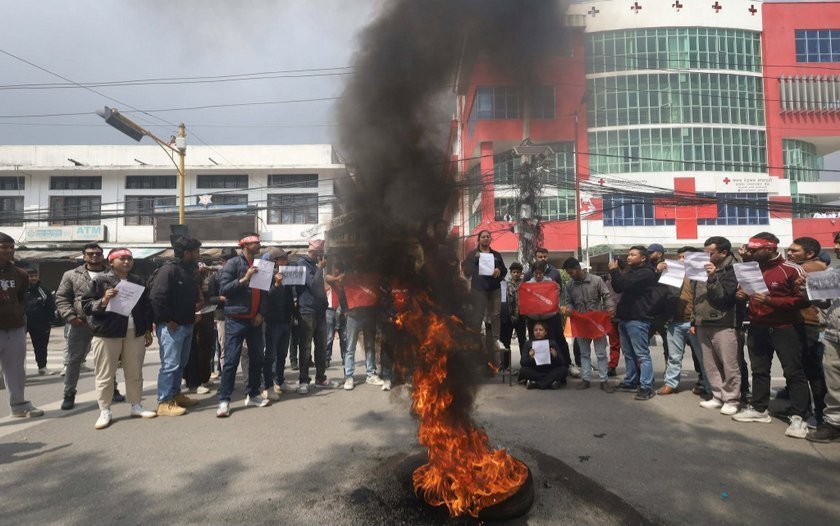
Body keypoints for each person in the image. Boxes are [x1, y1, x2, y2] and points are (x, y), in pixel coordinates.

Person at [732, 233, 811, 439]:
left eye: (754, 249)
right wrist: (740, 295)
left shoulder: (792, 269)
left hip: (786, 327)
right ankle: (759, 409)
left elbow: (804, 301)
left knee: (793, 372)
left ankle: (799, 416)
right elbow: (743, 291)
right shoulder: (751, 268)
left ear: (769, 248)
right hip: (757, 326)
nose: (749, 252)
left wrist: (771, 302)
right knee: (759, 370)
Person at [81, 248, 157, 429]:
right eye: (121, 258)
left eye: (129, 258)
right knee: (105, 374)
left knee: (134, 371)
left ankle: (136, 405)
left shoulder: (138, 281)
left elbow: (146, 307)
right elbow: (85, 306)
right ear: (111, 261)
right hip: (107, 332)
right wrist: (104, 300)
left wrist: (147, 329)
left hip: (134, 332)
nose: (126, 262)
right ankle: (105, 410)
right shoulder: (100, 281)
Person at [55, 243, 123, 410]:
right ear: (84, 256)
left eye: (98, 253)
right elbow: (62, 298)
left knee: (109, 359)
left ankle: (112, 389)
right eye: (90, 253)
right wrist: (71, 317)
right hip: (81, 323)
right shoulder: (71, 274)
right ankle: (69, 394)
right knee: (74, 360)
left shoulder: (113, 274)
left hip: (106, 322)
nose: (94, 256)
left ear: (103, 255)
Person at [216, 233, 270, 417]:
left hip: (254, 319)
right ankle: (224, 400)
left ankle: (253, 393)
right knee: (231, 360)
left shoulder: (261, 265)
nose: (259, 245)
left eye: (259, 243)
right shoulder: (233, 264)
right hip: (236, 318)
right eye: (255, 243)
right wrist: (244, 278)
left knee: (257, 359)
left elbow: (263, 292)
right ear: (244, 245)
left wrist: (260, 313)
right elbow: (224, 290)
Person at [150, 235, 202, 416]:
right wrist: (167, 320)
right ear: (187, 253)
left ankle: (176, 395)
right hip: (172, 327)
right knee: (170, 365)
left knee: (181, 364)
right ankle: (164, 402)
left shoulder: (189, 270)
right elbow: (156, 298)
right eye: (196, 251)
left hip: (187, 324)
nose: (198, 254)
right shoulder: (168, 270)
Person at [693, 236, 741, 415]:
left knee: (729, 363)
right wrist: (694, 319)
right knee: (710, 362)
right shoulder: (700, 269)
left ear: (723, 253)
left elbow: (724, 297)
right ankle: (717, 395)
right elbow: (697, 296)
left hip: (724, 321)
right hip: (702, 321)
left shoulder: (732, 269)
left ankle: (732, 399)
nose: (706, 257)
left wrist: (713, 276)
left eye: (710, 253)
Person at [0, 232, 44, 418]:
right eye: (4, 247)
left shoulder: (20, 274)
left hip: (15, 327)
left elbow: (21, 298)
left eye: (11, 247)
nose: (9, 250)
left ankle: (19, 405)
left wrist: (17, 315)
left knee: (16, 369)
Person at [786, 237, 828, 426]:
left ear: (809, 254)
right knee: (798, 370)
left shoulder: (814, 268)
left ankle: (819, 413)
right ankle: (803, 408)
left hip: (808, 324)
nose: (789, 253)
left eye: (795, 251)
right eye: (789, 250)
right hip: (796, 323)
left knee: (811, 372)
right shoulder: (799, 268)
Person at [608, 246, 658, 400]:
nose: (629, 257)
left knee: (642, 354)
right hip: (625, 317)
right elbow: (617, 287)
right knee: (628, 353)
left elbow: (623, 285)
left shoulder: (646, 273)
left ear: (643, 258)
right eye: (628, 254)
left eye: (632, 254)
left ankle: (646, 386)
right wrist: (615, 272)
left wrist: (615, 271)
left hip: (638, 318)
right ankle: (631, 381)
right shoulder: (633, 271)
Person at [656, 247, 706, 396]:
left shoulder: (702, 275)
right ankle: (671, 384)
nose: (681, 260)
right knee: (674, 357)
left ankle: (707, 385)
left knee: (703, 357)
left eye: (685, 257)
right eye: (680, 257)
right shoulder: (671, 274)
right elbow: (658, 291)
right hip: (675, 322)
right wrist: (657, 270)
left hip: (695, 323)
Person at [806, 232, 840, 442]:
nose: (836, 247)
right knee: (834, 384)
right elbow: (825, 303)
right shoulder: (835, 273)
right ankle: (834, 424)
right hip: (833, 334)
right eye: (837, 243)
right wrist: (810, 292)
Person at [563, 257, 615, 392]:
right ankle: (586, 379)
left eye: (571, 272)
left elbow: (607, 295)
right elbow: (569, 301)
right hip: (581, 322)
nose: (570, 275)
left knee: (601, 353)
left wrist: (610, 307)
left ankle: (604, 380)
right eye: (568, 273)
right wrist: (568, 309)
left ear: (578, 268)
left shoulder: (596, 280)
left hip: (597, 322)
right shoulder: (569, 285)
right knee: (584, 353)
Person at [295, 239, 336, 394]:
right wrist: (319, 269)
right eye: (319, 253)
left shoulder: (315, 265)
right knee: (305, 347)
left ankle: (320, 378)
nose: (321, 257)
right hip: (307, 311)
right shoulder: (301, 264)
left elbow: (320, 287)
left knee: (321, 346)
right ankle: (303, 380)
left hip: (320, 311)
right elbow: (312, 285)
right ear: (312, 252)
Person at [461, 230, 507, 361]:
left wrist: (499, 270)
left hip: (494, 290)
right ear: (479, 239)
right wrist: (474, 260)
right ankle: (475, 340)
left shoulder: (496, 255)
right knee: (477, 315)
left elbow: (504, 270)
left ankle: (496, 340)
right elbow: (466, 271)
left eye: (488, 237)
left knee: (496, 314)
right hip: (478, 290)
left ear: (490, 239)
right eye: (483, 237)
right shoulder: (472, 255)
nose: (486, 239)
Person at [342, 267, 384, 390]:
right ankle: (349, 377)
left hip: (368, 315)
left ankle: (370, 374)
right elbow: (339, 290)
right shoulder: (348, 278)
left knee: (370, 346)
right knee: (350, 347)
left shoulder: (371, 277)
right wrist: (345, 309)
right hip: (353, 316)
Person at [262, 248, 294, 400]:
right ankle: (268, 385)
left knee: (282, 354)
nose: (285, 261)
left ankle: (280, 381)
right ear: (274, 261)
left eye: (286, 259)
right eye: (282, 259)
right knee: (271, 355)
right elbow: (265, 297)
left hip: (285, 320)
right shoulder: (266, 274)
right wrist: (276, 285)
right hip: (272, 321)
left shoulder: (286, 273)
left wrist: (294, 313)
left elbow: (289, 297)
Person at [184, 262, 215, 395]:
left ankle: (204, 377)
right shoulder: (189, 278)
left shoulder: (208, 277)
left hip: (207, 313)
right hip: (193, 315)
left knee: (205, 347)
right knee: (193, 349)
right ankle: (193, 381)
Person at [518, 321, 569, 389]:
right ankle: (550, 382)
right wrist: (530, 357)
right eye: (536, 330)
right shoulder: (528, 344)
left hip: (550, 369)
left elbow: (562, 362)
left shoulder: (552, 343)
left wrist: (555, 356)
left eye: (541, 330)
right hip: (535, 370)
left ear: (545, 332)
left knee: (563, 370)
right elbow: (523, 362)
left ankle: (536, 384)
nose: (538, 332)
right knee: (523, 370)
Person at [24, 268, 55, 375]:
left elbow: (51, 306)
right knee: (17, 347)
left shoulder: (44, 290)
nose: (33, 278)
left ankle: (42, 367)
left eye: (35, 275)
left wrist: (50, 321)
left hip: (41, 323)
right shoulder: (19, 288)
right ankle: (18, 369)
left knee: (41, 347)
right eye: (30, 276)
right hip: (21, 323)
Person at [500, 261, 527, 353]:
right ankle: (506, 365)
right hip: (508, 317)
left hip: (521, 316)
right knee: (506, 341)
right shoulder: (505, 285)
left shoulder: (525, 285)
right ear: (510, 273)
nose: (516, 274)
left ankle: (524, 363)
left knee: (522, 341)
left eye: (518, 272)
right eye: (514, 272)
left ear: (521, 273)